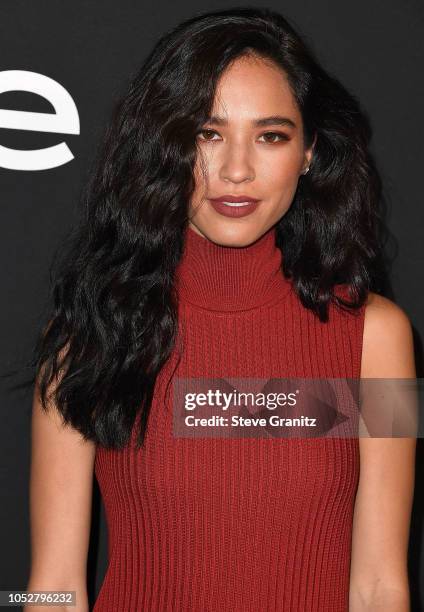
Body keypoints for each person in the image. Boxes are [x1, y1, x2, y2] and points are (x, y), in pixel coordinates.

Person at [25, 7, 416, 612]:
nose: (236, 172)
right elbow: (52, 589)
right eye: (206, 134)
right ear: (164, 148)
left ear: (309, 151)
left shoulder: (377, 338)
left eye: (271, 136)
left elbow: (381, 585)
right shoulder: (91, 334)